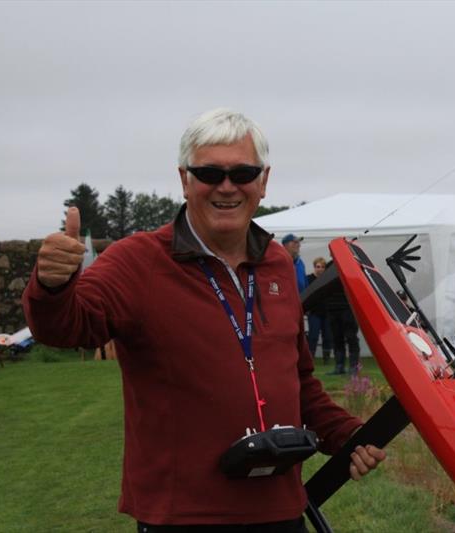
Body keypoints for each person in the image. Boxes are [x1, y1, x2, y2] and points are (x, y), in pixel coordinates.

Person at [22, 108, 385, 531]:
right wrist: (51, 287)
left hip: (281, 508)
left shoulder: (276, 263)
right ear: (184, 180)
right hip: (184, 516)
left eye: (243, 172)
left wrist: (344, 433)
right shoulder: (138, 259)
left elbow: (298, 377)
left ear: (263, 181)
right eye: (210, 173)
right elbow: (68, 327)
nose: (227, 187)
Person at [326, 276, 360, 376]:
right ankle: (339, 366)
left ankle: (353, 366)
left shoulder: (346, 267)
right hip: (332, 308)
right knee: (336, 338)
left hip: (347, 308)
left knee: (351, 337)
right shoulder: (329, 267)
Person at [306, 257, 332, 365]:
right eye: (318, 267)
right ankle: (310, 358)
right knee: (313, 336)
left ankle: (326, 359)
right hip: (314, 313)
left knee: (327, 336)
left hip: (327, 312)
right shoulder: (308, 279)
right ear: (314, 267)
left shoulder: (328, 279)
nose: (320, 269)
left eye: (322, 267)